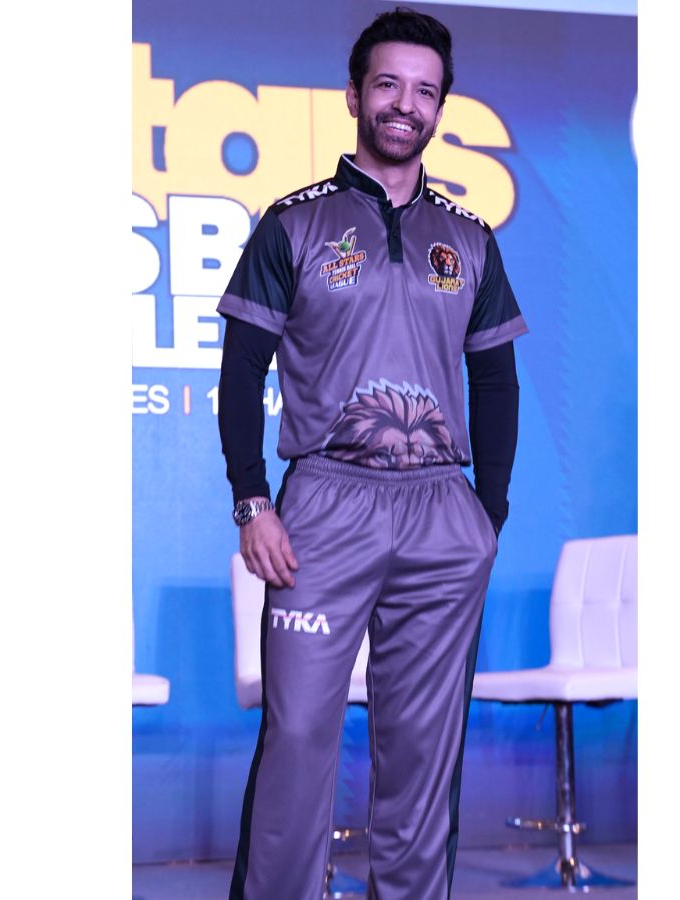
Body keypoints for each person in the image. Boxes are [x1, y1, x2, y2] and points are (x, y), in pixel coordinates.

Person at [217, 8, 527, 898]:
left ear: (440, 109)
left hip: (441, 512)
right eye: (388, 84)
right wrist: (253, 500)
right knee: (298, 738)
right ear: (354, 95)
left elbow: (495, 381)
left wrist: (486, 514)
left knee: (424, 750)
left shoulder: (469, 238)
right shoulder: (293, 224)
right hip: (324, 507)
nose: (405, 104)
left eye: (425, 91)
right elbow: (240, 371)